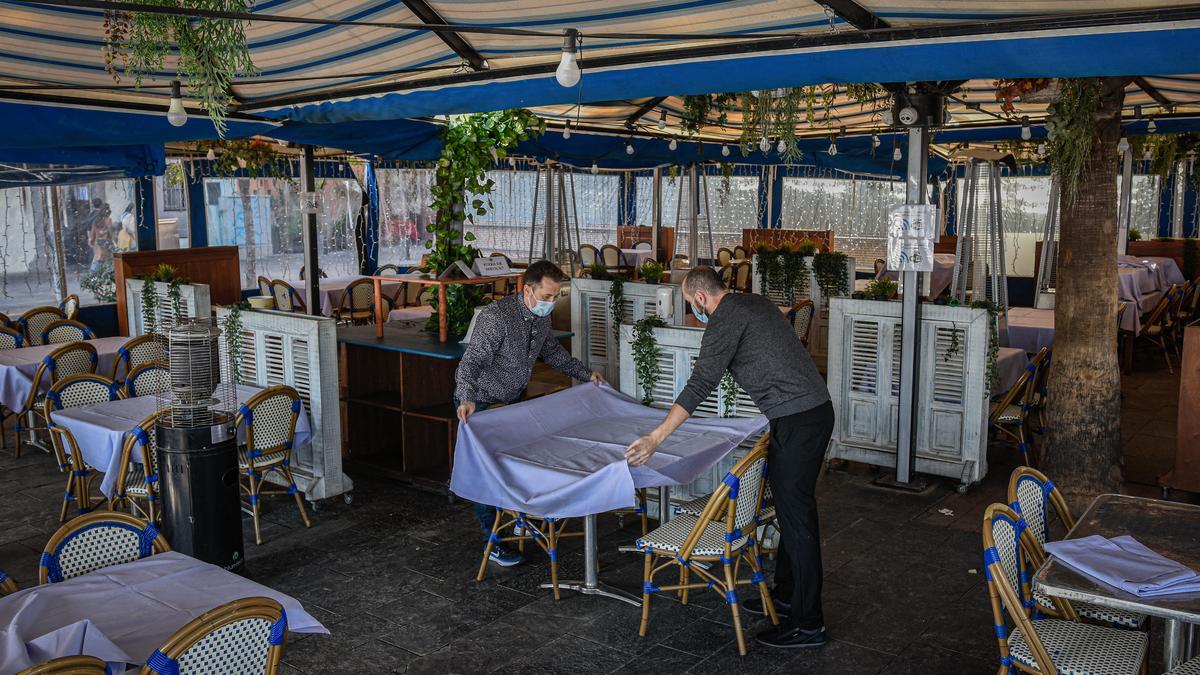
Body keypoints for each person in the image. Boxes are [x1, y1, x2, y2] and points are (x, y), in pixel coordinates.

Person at [624, 265, 834, 650]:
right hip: (808, 413)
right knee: (792, 513)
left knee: (798, 519)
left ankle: (808, 624)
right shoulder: (751, 301)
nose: (695, 312)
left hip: (799, 419)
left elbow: (701, 383)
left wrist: (656, 437)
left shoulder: (724, 318)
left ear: (701, 298)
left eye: (691, 305)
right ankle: (787, 595)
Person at [454, 259, 605, 567]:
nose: (551, 303)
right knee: (487, 473)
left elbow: (550, 352)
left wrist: (585, 373)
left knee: (514, 464)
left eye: (556, 296)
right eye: (547, 296)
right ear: (528, 290)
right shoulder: (496, 319)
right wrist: (467, 398)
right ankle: (492, 541)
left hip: (511, 401)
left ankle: (514, 518)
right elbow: (472, 362)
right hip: (480, 402)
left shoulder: (540, 318)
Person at [87, 204, 113, 272]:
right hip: (106, 248)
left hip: (98, 248)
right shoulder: (109, 220)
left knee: (95, 270)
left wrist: (92, 243)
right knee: (107, 271)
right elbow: (111, 234)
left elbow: (92, 237)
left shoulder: (95, 221)